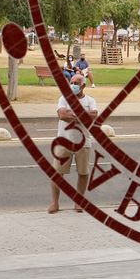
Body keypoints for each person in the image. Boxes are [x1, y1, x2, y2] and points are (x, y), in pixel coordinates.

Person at [48, 68, 98, 214]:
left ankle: (78, 201)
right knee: (57, 173)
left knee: (83, 172)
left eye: (76, 83)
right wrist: (82, 115)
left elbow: (93, 115)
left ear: (83, 86)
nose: (73, 85)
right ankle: (55, 202)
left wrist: (74, 114)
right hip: (64, 141)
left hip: (83, 143)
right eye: (71, 82)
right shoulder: (64, 98)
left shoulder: (90, 101)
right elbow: (62, 115)